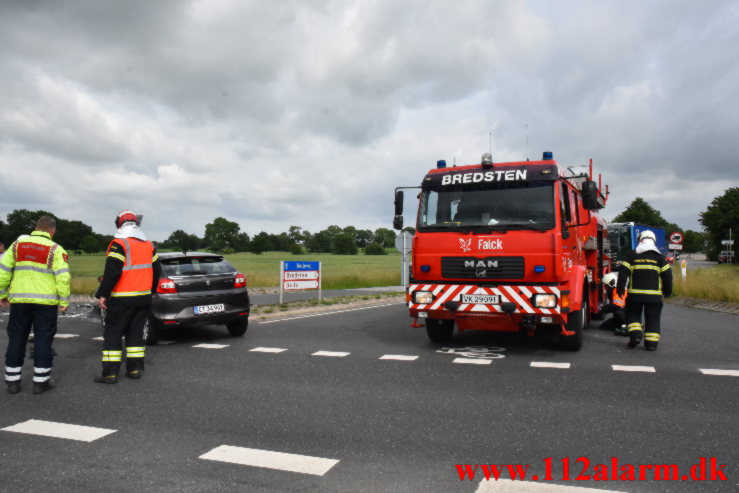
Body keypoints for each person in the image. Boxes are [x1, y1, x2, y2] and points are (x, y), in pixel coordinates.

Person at [0, 216, 70, 394]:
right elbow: (62, 277)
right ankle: (41, 382)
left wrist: (2, 294)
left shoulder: (17, 245)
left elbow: (3, 271)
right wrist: (64, 301)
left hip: (20, 301)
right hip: (45, 302)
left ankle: (12, 381)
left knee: (16, 338)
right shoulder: (55, 248)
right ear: (52, 231)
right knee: (43, 340)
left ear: (36, 227)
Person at [94, 211, 160, 383]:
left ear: (120, 224)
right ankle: (135, 369)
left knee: (113, 334)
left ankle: (109, 373)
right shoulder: (148, 245)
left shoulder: (119, 244)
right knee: (135, 334)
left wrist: (103, 294)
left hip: (122, 298)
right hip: (143, 298)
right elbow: (156, 271)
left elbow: (112, 272)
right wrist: (151, 291)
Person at [616, 230, 673, 351]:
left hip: (634, 296)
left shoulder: (632, 255)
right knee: (653, 318)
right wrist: (668, 292)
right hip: (654, 297)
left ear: (640, 240)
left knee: (632, 315)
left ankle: (635, 336)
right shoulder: (659, 257)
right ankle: (651, 344)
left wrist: (620, 289)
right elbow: (668, 276)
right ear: (654, 241)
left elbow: (623, 273)